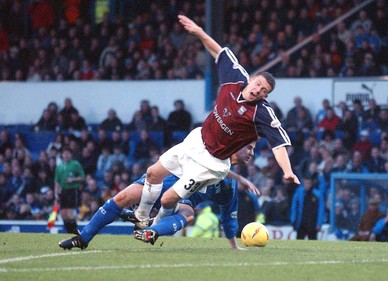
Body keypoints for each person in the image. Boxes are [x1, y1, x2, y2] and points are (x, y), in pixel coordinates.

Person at [132, 15, 299, 230]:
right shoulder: (236, 77)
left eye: (263, 91)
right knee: (153, 173)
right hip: (196, 140)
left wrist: (287, 171)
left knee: (167, 199)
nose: (258, 90)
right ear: (252, 79)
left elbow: (279, 144)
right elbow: (219, 52)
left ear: (265, 96)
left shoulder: (262, 112)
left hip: (212, 162)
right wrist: (199, 32)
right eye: (258, 84)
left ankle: (152, 228)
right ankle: (141, 216)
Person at [58, 142, 258, 250]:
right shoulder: (213, 151)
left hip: (179, 197)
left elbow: (228, 218)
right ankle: (83, 238)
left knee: (188, 213)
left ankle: (152, 230)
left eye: (254, 149)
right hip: (165, 179)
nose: (252, 153)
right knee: (121, 198)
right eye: (249, 147)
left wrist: (234, 247)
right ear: (237, 144)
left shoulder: (229, 187)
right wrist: (241, 178)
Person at [54, 147, 85, 234]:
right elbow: (57, 182)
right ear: (62, 155)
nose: (66, 155)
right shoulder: (59, 167)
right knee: (63, 214)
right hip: (63, 191)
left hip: (72, 190)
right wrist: (56, 193)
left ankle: (75, 233)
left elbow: (82, 177)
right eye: (64, 153)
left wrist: (73, 180)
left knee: (70, 213)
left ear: (71, 155)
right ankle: (69, 233)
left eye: (68, 153)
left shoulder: (75, 164)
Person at [290, 176, 326, 240]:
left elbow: (321, 210)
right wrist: (293, 219)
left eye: (309, 183)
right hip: (301, 222)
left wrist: (319, 223)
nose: (307, 185)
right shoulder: (299, 193)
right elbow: (294, 207)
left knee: (313, 243)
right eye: (306, 183)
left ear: (311, 184)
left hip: (312, 223)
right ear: (303, 184)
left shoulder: (317, 194)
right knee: (299, 241)